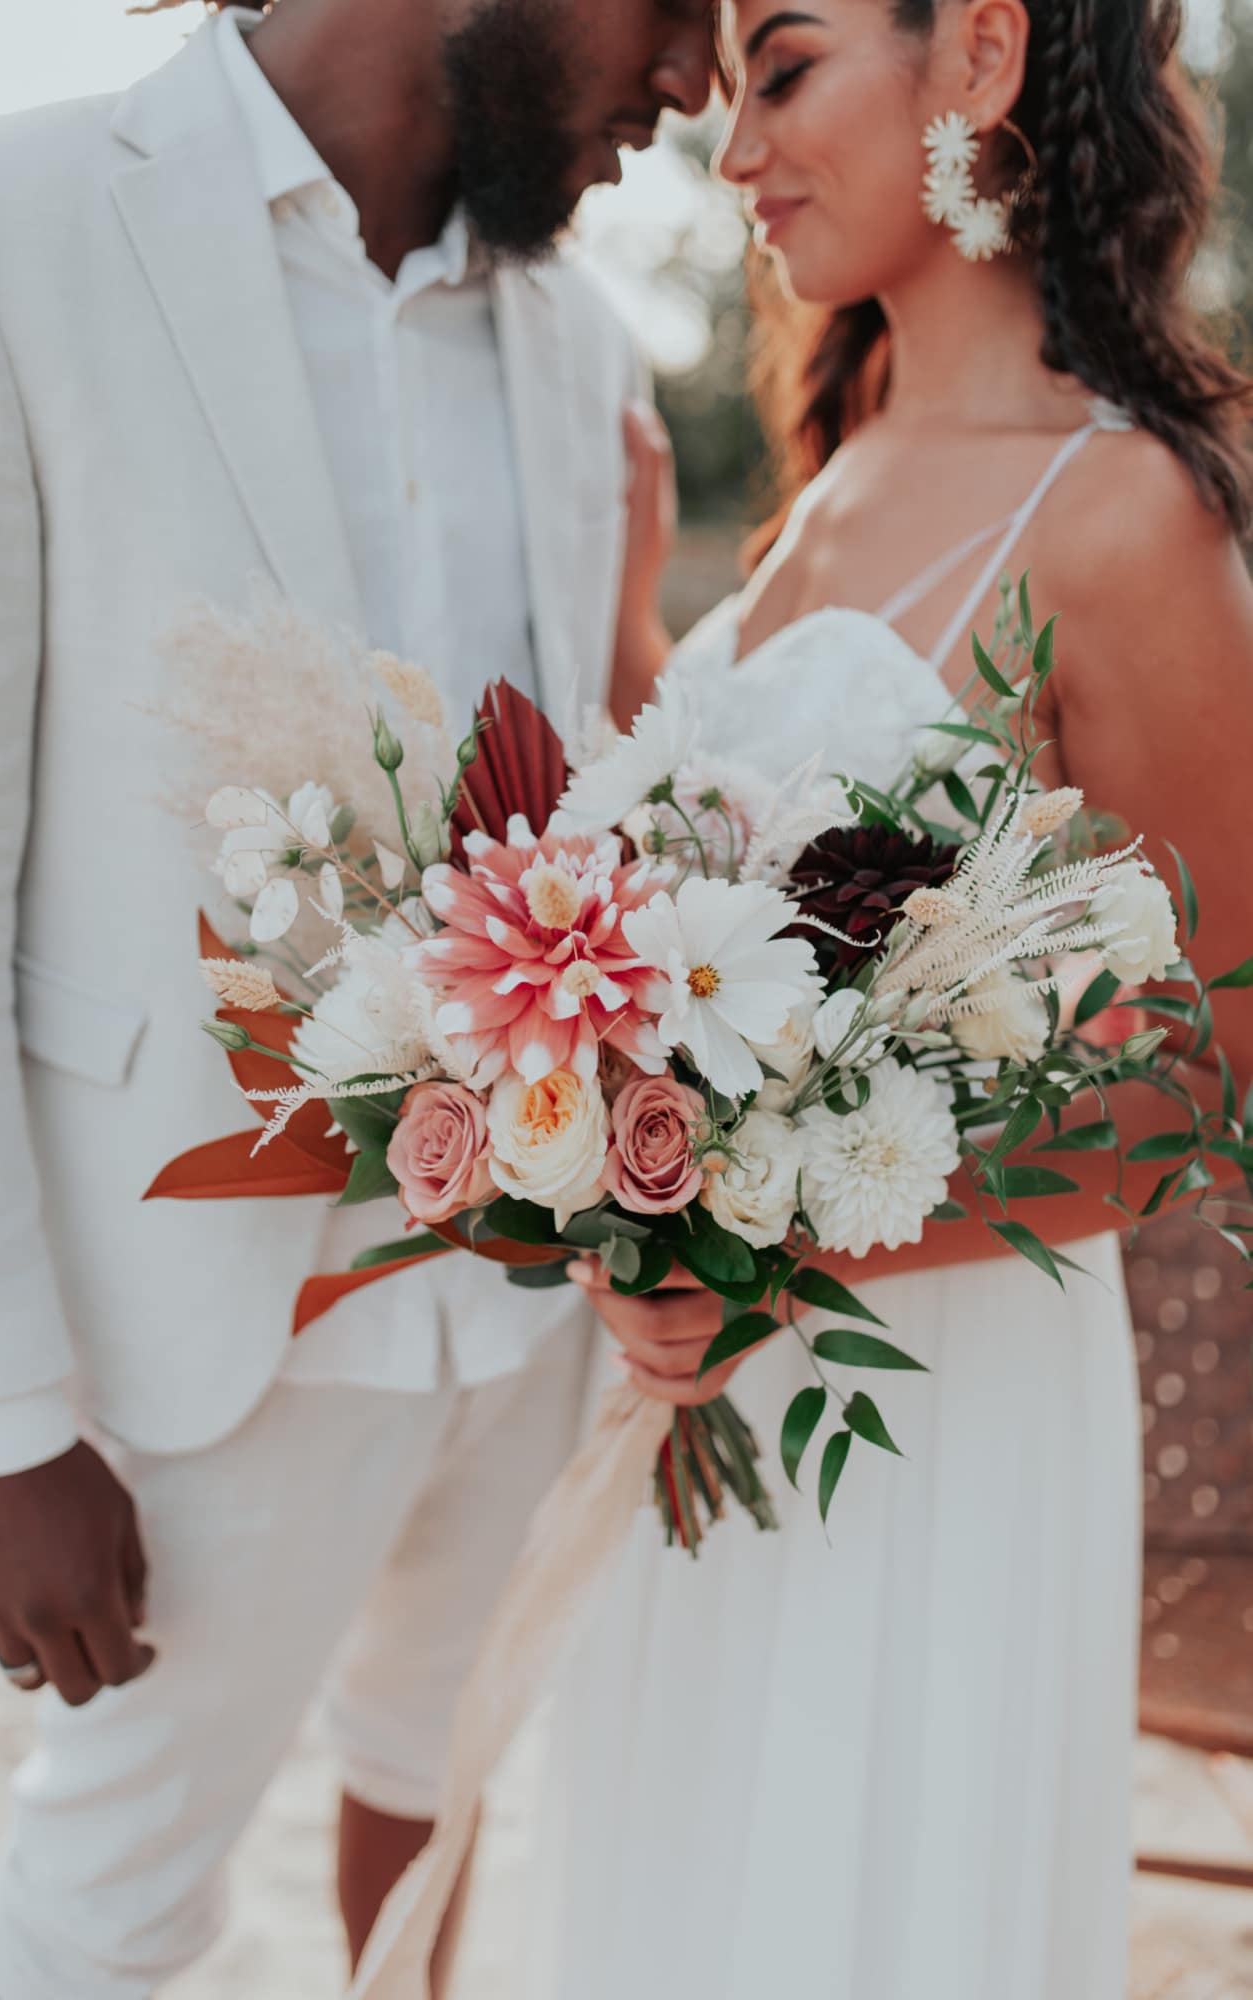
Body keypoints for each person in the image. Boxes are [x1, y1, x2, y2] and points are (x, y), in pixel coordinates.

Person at [0, 1, 713, 1993]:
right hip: (192, 1318)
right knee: (105, 1911)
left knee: (431, 1803)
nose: (697, 76)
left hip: (522, 1297)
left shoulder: (576, 337)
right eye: (676, 5)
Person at [528, 0, 1253, 1994]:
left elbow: (1199, 1076)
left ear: (982, 56)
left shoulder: (1124, 515)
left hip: (934, 1418)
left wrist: (756, 1236)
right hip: (714, 1407)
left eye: (783, 67)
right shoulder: (829, 483)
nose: (729, 142)